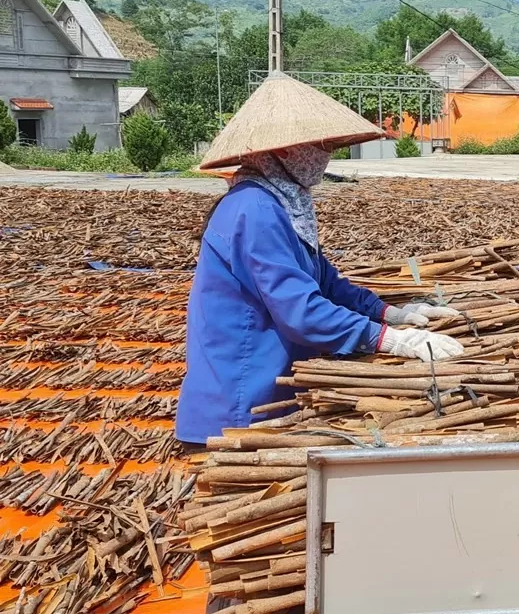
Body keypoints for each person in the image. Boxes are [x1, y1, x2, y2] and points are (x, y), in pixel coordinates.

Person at [176, 72, 465, 451]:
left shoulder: (283, 203)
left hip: (271, 391)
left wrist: (388, 313)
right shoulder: (254, 209)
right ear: (279, 151)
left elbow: (325, 282)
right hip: (241, 407)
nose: (324, 155)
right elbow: (301, 311)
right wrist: (391, 341)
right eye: (315, 145)